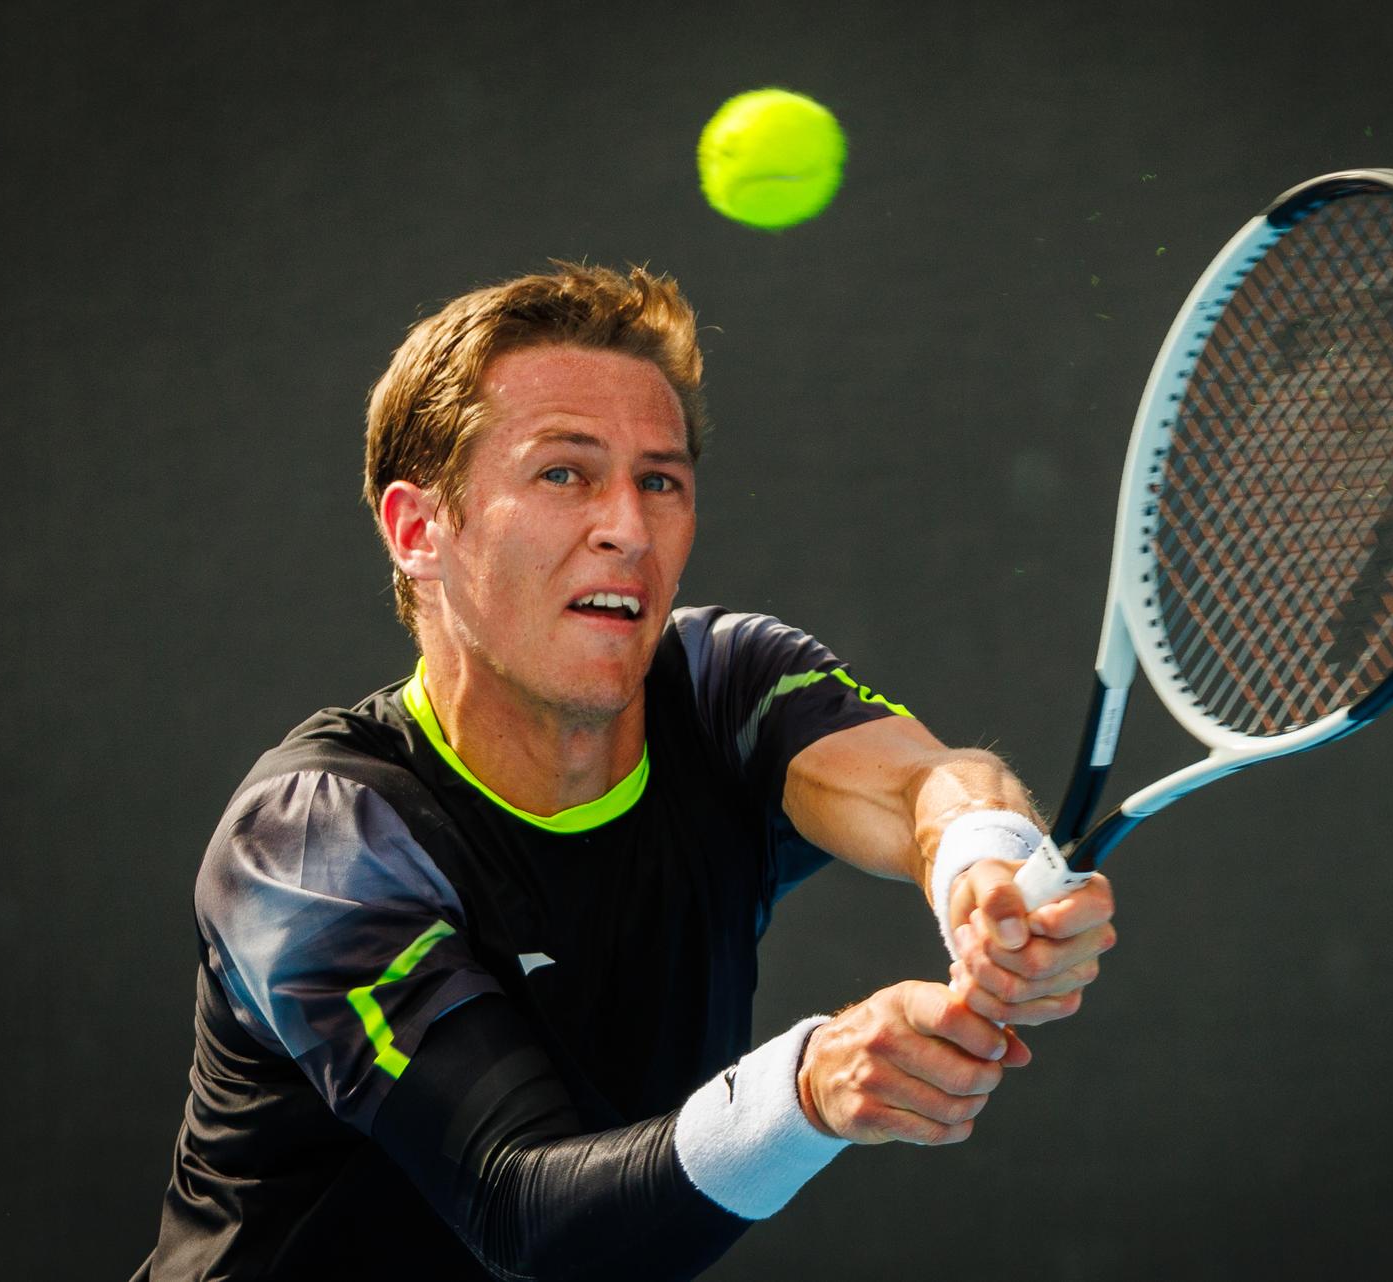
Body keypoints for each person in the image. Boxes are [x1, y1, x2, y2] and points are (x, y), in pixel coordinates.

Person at [134, 263, 1116, 1281]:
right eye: (565, 473)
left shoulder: (726, 688)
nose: (630, 529)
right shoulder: (317, 838)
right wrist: (811, 1085)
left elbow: (923, 784)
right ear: (419, 530)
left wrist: (979, 862)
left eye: (661, 480)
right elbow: (523, 1207)